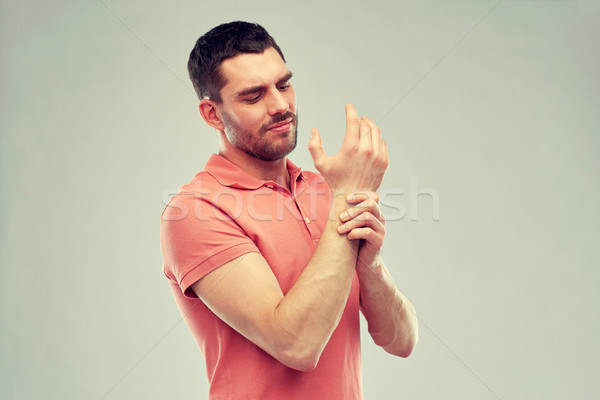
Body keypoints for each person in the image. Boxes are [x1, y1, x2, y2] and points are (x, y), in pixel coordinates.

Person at [161, 21, 418, 400]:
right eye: (253, 96)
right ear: (212, 114)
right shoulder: (196, 211)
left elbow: (403, 340)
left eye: (284, 85)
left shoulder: (323, 191)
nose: (281, 106)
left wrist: (370, 267)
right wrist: (347, 198)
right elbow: (296, 345)